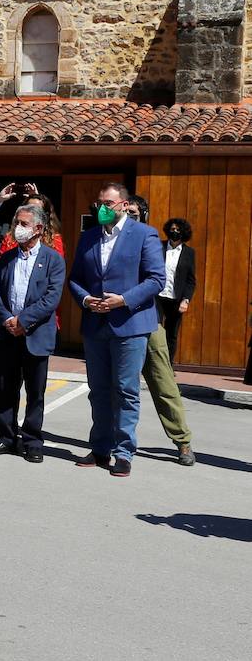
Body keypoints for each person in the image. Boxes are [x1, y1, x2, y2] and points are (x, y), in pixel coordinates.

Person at [68, 183, 164, 477]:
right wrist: (86, 299)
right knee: (98, 390)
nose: (102, 208)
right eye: (99, 203)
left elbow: (156, 279)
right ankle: (100, 448)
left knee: (125, 390)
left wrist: (123, 300)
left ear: (123, 205)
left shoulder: (144, 234)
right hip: (96, 324)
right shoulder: (88, 237)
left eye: (108, 203)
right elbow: (75, 278)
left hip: (130, 324)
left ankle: (124, 451)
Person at [0, 204, 65, 462]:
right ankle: (5, 437)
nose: (17, 228)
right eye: (16, 222)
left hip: (36, 335)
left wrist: (23, 321)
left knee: (35, 392)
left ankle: (32, 441)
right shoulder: (7, 257)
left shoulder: (53, 259)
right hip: (7, 333)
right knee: (6, 389)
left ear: (39, 229)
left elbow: (51, 298)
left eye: (24, 223)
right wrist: (8, 318)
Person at [128, 199, 196, 467]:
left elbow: (158, 280)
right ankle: (113, 441)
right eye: (125, 212)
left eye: (134, 213)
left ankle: (183, 441)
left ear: (143, 216)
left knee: (164, 383)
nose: (128, 217)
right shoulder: (111, 243)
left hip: (150, 321)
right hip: (121, 324)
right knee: (118, 387)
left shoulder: (151, 243)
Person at [156, 217, 195, 360]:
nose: (175, 232)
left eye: (178, 230)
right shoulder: (159, 246)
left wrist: (186, 300)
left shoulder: (189, 253)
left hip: (176, 300)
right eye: (172, 229)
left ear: (183, 233)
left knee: (171, 334)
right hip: (158, 297)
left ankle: (168, 365)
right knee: (155, 330)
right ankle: (151, 363)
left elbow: (191, 281)